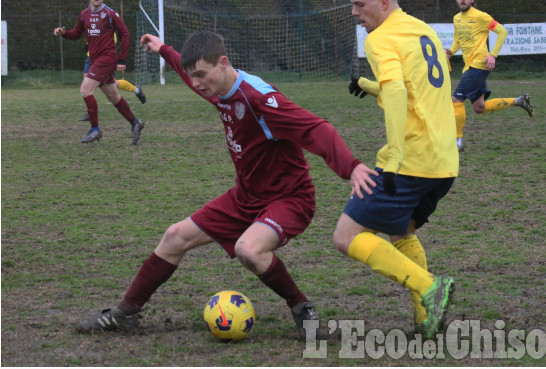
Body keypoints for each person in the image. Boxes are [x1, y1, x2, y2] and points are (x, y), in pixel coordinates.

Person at [77, 31, 378, 336]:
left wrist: (351, 167)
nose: (196, 83)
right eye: (193, 76)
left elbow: (316, 129)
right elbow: (186, 69)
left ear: (223, 63)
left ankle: (302, 308)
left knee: (249, 249)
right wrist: (164, 50)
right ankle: (124, 314)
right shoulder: (216, 86)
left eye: (201, 75)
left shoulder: (260, 98)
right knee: (174, 237)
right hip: (245, 197)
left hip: (289, 198)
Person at [338, 0, 458, 340]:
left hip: (409, 159)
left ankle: (430, 286)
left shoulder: (379, 39)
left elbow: (397, 93)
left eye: (360, 5)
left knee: (346, 236)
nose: (355, 13)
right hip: (444, 161)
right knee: (402, 231)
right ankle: (427, 318)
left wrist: (391, 158)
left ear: (383, 1)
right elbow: (414, 89)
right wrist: (369, 86)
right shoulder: (422, 29)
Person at [53, 0, 145, 144]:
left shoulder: (110, 14)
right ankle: (135, 122)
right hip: (95, 59)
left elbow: (125, 34)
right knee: (113, 96)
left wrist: (122, 58)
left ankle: (95, 129)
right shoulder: (84, 14)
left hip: (107, 58)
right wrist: (64, 33)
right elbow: (77, 33)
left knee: (85, 89)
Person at [445, 0, 534, 152]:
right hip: (469, 67)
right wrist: (450, 51)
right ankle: (519, 100)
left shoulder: (481, 16)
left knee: (456, 100)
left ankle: (457, 142)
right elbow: (458, 41)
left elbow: (502, 32)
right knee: (480, 108)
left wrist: (493, 54)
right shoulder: (456, 18)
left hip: (479, 65)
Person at [79, 41, 146, 122]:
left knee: (112, 84)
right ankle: (90, 112)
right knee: (87, 85)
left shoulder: (110, 30)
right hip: (91, 57)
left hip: (103, 59)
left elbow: (108, 42)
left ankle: (136, 90)